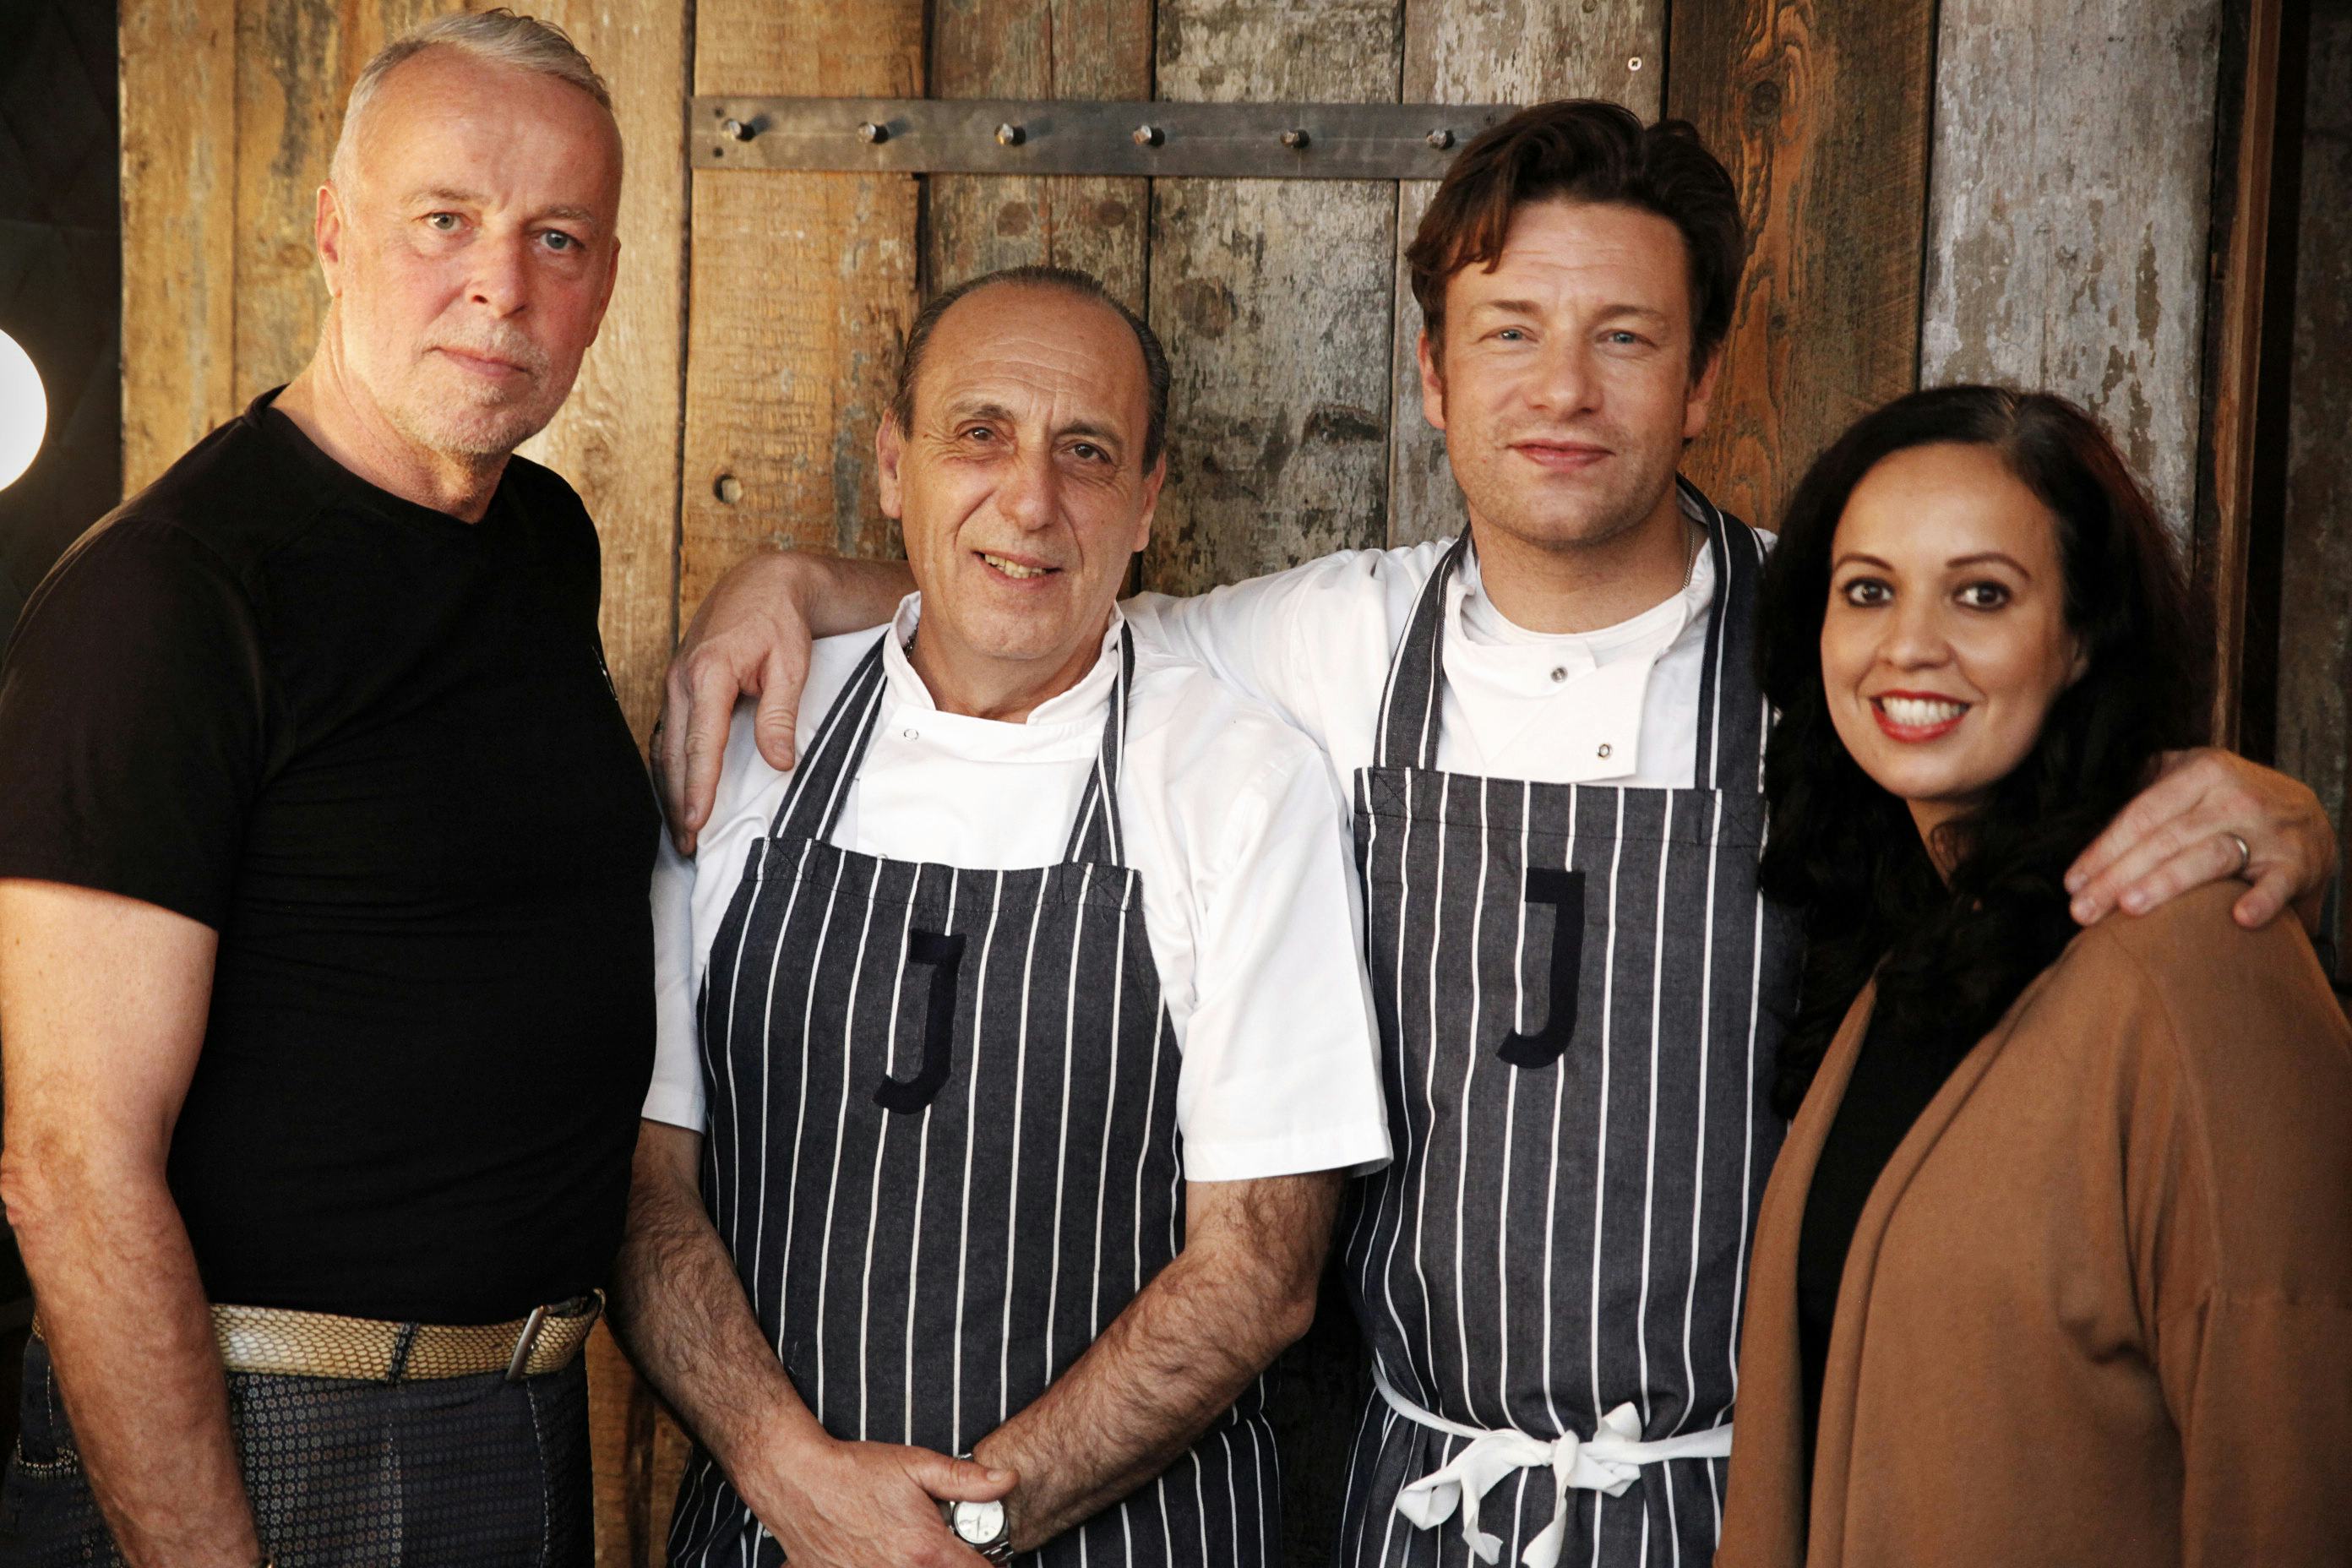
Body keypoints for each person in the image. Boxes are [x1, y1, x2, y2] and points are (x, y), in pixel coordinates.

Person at [647, 105, 2338, 1568]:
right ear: (1436, 378)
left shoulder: (1830, 652)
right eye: (1513, 330)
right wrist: (798, 585)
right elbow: (1035, 603)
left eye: (1625, 336)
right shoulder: (1333, 642)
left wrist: (2274, 812)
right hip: (1416, 1496)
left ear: (1701, 380)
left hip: (1739, 1498)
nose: (1566, 389)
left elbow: (2042, 773)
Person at [607, 264, 1390, 1568]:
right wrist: (791, 1475)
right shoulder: (742, 745)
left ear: (1144, 506)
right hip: (773, 1530)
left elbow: (1258, 1269)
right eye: (982, 435)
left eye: (1085, 453)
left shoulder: (1239, 781)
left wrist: (952, 1530)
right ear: (895, 469)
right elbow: (640, 1181)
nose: (1030, 500)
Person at [0, 14, 652, 1564]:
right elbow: (71, 1171)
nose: (502, 283)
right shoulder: (171, 599)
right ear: (333, 232)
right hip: (256, 1436)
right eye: (446, 219)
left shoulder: (542, 544)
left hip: (517, 1420)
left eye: (555, 236)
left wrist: (800, 584)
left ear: (606, 283)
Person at [1715, 385, 2352, 1566]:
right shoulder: (1914, 950)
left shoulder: (2205, 961)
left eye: (1982, 594)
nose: (1909, 644)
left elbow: (2292, 1465)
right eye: (1869, 590)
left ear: (2082, 639)